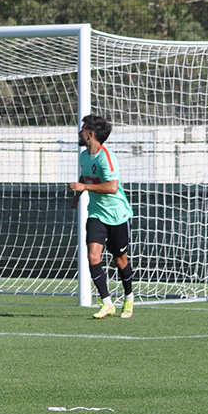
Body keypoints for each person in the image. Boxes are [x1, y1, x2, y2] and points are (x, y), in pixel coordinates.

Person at [69, 114, 136, 319]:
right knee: (93, 255)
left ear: (91, 134)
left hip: (117, 215)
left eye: (83, 130)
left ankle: (129, 298)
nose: (79, 133)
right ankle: (106, 303)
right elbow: (84, 176)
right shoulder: (84, 156)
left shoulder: (106, 157)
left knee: (120, 260)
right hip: (97, 214)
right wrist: (78, 196)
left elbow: (112, 187)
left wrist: (84, 187)